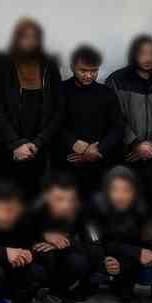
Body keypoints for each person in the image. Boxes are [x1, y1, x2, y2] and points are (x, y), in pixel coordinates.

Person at [0, 18, 63, 201]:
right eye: (24, 36)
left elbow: (59, 109)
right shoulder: (1, 63)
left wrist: (38, 142)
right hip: (6, 149)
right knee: (5, 200)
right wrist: (15, 144)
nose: (30, 41)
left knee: (34, 200)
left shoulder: (49, 65)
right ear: (16, 38)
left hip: (39, 149)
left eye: (34, 37)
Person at [86, 166, 152, 303]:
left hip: (128, 258)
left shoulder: (142, 209)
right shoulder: (94, 207)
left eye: (126, 190)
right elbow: (94, 241)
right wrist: (105, 261)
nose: (120, 195)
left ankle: (130, 289)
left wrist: (144, 253)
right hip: (101, 254)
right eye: (115, 189)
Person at [106, 35, 152, 203]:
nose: (148, 58)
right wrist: (135, 144)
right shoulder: (116, 80)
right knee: (123, 200)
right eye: (142, 53)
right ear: (133, 54)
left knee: (150, 199)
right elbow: (114, 116)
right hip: (125, 152)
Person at [56, 45, 126, 199]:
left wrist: (98, 150)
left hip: (100, 165)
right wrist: (74, 143)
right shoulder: (59, 91)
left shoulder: (106, 93)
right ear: (72, 67)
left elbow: (118, 128)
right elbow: (53, 124)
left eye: (94, 71)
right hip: (66, 165)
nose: (89, 76)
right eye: (83, 71)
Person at [29, 173, 99, 303]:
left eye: (70, 199)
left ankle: (59, 293)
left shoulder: (82, 212)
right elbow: (16, 236)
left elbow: (95, 242)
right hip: (38, 257)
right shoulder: (32, 209)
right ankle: (25, 296)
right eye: (59, 199)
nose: (66, 205)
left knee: (82, 261)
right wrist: (43, 235)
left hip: (65, 255)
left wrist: (64, 243)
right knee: (41, 260)